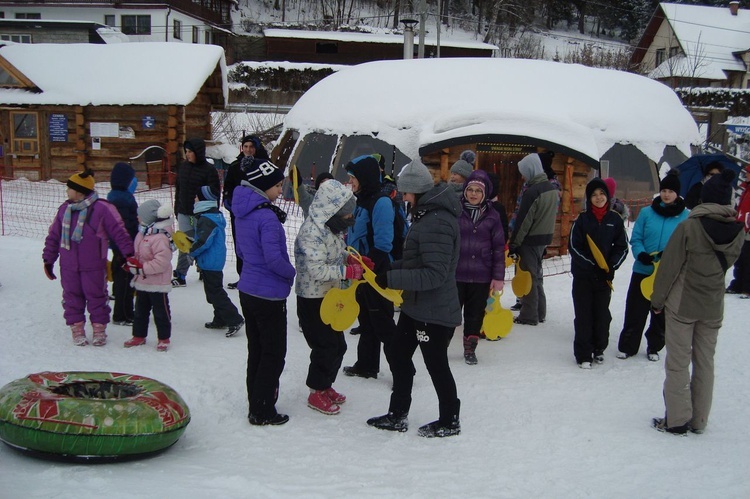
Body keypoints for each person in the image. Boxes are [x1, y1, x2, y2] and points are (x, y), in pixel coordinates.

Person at [367, 159, 463, 438]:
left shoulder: (438, 222)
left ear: (417, 191)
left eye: (406, 192)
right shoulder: (425, 215)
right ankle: (398, 414)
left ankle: (449, 419)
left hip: (435, 311)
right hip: (416, 306)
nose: (403, 197)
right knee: (397, 352)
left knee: (436, 364)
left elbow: (434, 274)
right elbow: (416, 260)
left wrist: (393, 279)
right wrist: (387, 269)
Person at [650, 169, 744, 434]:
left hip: (683, 304)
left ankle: (677, 420)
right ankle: (700, 420)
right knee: (705, 363)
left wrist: (657, 301)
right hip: (713, 306)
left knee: (678, 362)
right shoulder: (736, 230)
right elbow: (730, 263)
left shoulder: (689, 227)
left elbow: (669, 268)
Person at [233, 156, 295, 426]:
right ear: (263, 185)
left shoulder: (243, 212)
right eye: (278, 186)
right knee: (273, 353)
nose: (280, 191)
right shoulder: (267, 218)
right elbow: (274, 259)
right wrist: (292, 272)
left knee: (256, 349)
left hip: (248, 289)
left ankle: (255, 400)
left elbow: (241, 252)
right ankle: (263, 410)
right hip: (269, 295)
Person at [295, 179, 364, 415]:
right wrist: (347, 272)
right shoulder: (311, 232)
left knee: (339, 345)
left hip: (330, 297)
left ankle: (326, 385)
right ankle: (316, 390)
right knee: (325, 346)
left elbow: (335, 251)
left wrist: (349, 258)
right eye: (346, 216)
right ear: (333, 211)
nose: (349, 219)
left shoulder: (330, 228)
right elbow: (317, 269)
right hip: (312, 299)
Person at [43, 168, 134, 347]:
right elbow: (54, 236)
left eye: (69, 188)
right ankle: (77, 328)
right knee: (71, 296)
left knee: (97, 296)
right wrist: (48, 259)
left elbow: (119, 232)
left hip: (93, 264)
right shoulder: (64, 210)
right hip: (69, 264)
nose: (66, 192)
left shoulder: (102, 208)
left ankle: (99, 329)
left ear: (79, 191)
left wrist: (127, 255)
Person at [616, 170, 688, 361]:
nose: (666, 194)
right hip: (643, 269)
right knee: (635, 309)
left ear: (677, 194)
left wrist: (671, 257)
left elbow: (686, 244)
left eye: (671, 191)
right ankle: (628, 346)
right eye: (664, 190)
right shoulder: (647, 212)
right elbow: (636, 237)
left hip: (667, 274)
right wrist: (641, 254)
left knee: (661, 312)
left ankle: (654, 346)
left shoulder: (686, 217)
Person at [342, 154, 399, 380]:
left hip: (377, 270)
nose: (351, 182)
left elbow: (384, 242)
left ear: (364, 176)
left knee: (383, 323)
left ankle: (403, 371)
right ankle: (366, 365)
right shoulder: (363, 199)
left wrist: (369, 265)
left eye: (353, 177)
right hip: (363, 269)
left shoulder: (381, 202)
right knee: (366, 319)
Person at [568, 178, 628, 368]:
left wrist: (610, 267)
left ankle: (599, 348)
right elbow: (574, 247)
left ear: (608, 196)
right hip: (583, 276)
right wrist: (591, 266)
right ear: (589, 198)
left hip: (604, 278)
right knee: (584, 315)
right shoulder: (582, 219)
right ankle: (584, 354)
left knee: (601, 315)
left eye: (601, 194)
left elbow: (622, 247)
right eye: (594, 195)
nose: (598, 197)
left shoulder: (615, 220)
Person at [455, 169, 505, 364]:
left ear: (484, 194)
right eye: (470, 190)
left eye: (478, 191)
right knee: (451, 312)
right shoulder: (456, 212)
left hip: (481, 275)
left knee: (475, 315)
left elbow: (499, 248)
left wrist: (498, 277)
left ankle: (470, 348)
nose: (473, 194)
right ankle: (441, 344)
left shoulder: (493, 216)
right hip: (457, 273)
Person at [508, 153, 559, 325]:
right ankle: (540, 312)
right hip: (543, 239)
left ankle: (529, 315)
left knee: (528, 277)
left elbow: (524, 221)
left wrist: (514, 243)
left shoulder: (533, 191)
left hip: (529, 240)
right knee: (537, 276)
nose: (523, 176)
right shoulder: (551, 189)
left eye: (524, 172)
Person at [191, 186, 245, 337]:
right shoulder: (212, 215)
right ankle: (220, 318)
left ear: (203, 200)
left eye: (197, 196)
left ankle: (235, 318)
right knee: (212, 291)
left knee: (215, 292)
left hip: (210, 261)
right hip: (213, 260)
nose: (194, 198)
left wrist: (191, 249)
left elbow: (204, 241)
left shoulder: (207, 218)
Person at [123, 199, 175, 351]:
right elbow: (139, 253)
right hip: (142, 281)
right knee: (140, 311)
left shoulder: (160, 237)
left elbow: (161, 262)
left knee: (161, 312)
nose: (137, 218)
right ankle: (139, 335)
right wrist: (132, 262)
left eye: (140, 215)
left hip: (158, 283)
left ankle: (164, 338)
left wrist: (141, 268)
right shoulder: (143, 233)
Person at [223, 135, 270, 290]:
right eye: (246, 147)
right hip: (238, 213)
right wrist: (230, 203)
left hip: (257, 213)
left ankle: (259, 277)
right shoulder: (235, 166)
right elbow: (228, 187)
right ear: (241, 148)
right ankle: (243, 276)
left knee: (257, 245)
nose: (248, 150)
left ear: (256, 148)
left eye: (251, 147)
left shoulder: (263, 166)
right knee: (241, 246)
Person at [172, 138, 221, 287]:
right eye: (186, 152)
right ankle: (180, 274)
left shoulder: (209, 170)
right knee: (185, 242)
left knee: (202, 242)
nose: (187, 155)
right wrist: (177, 207)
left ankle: (203, 269)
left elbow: (214, 193)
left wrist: (212, 213)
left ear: (198, 153)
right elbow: (179, 189)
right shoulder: (183, 167)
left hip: (202, 214)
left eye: (190, 152)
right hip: (184, 212)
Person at [107, 162, 139, 326]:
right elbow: (124, 227)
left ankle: (126, 312)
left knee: (124, 280)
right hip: (124, 248)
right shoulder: (122, 200)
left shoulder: (115, 196)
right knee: (125, 281)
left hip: (120, 247)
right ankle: (122, 314)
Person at [726, 165, 750, 297]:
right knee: (740, 258)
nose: (746, 175)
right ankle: (738, 284)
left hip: (747, 229)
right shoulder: (746, 188)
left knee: (748, 259)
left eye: (748, 173)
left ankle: (747, 287)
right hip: (742, 227)